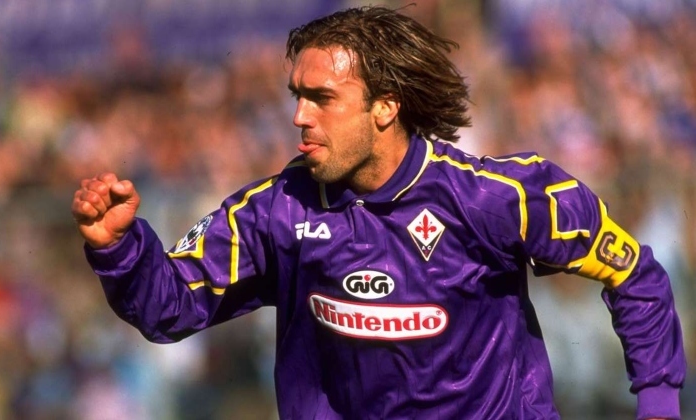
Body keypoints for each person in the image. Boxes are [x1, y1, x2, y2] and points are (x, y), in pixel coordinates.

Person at [71, 6, 685, 419]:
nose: (299, 116)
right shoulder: (276, 213)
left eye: (322, 98)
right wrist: (119, 248)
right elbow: (169, 307)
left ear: (385, 107)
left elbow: (633, 273)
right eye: (297, 97)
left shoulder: (494, 198)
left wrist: (658, 404)